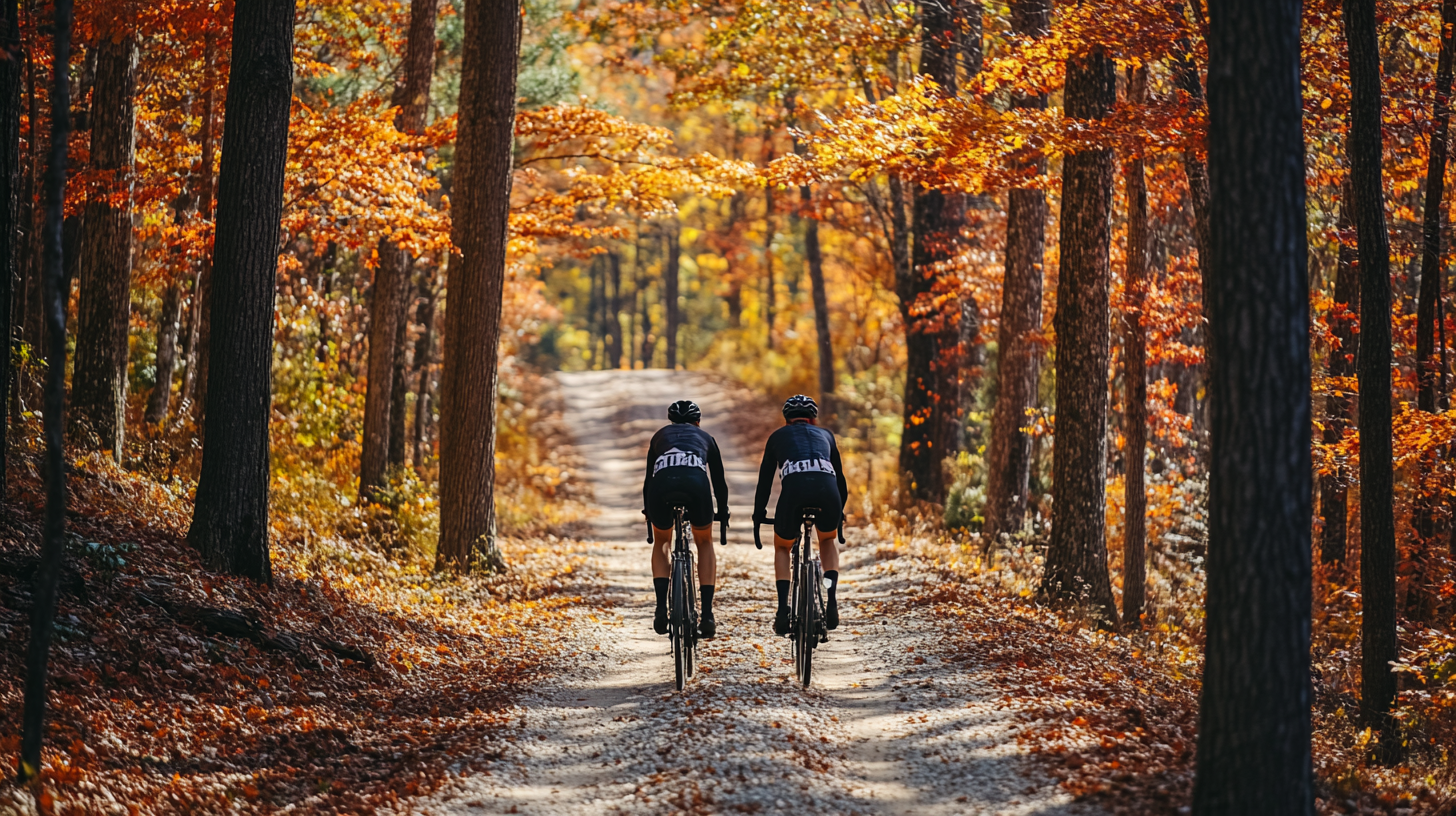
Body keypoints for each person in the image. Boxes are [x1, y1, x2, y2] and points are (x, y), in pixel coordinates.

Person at [752, 394, 848, 636]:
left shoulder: (777, 436)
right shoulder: (827, 435)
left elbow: (764, 482)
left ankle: (782, 610)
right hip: (828, 493)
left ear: (786, 420)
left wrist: (758, 515)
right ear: (813, 419)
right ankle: (831, 599)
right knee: (827, 539)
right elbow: (841, 481)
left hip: (794, 493)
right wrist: (839, 515)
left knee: (782, 547)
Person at [642, 399, 730, 638]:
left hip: (661, 488)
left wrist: (648, 510)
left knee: (662, 541)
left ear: (670, 421)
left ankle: (661, 609)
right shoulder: (707, 438)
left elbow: (649, 479)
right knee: (704, 542)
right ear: (698, 422)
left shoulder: (659, 436)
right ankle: (708, 614)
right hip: (696, 486)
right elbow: (719, 482)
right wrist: (723, 511)